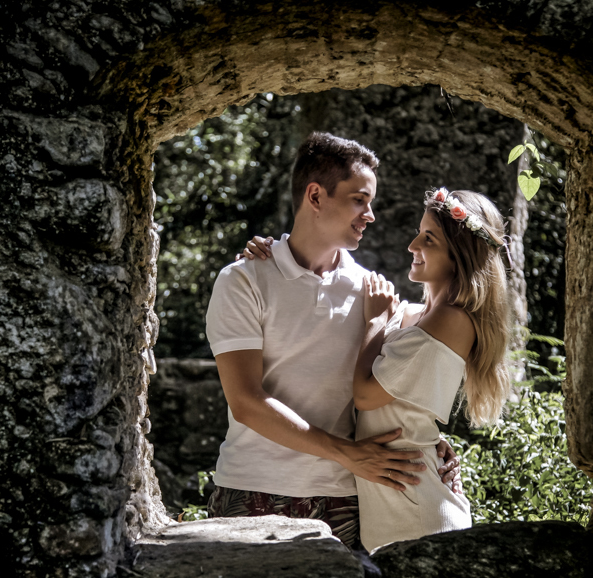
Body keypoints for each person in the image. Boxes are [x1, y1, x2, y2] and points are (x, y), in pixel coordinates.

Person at [205, 132, 459, 549]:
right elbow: (246, 401)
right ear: (316, 196)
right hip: (252, 489)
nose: (370, 214)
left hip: (348, 499)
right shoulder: (244, 279)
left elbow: (401, 377)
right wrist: (347, 452)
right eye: (359, 199)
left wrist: (435, 445)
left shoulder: (373, 292)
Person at [351, 188, 511, 552]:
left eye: (429, 238)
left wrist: (375, 320)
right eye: (418, 232)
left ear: (459, 256)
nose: (412, 245)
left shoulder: (452, 320)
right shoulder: (412, 314)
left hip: (419, 516)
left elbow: (365, 395)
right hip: (397, 506)